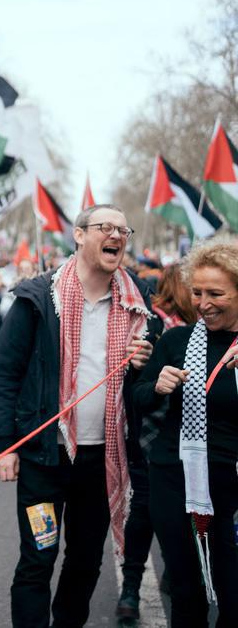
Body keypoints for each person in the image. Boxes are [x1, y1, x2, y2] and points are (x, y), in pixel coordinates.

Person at [0, 205, 158, 628]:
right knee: (37, 560)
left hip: (102, 461)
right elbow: (3, 374)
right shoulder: (39, 298)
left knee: (84, 562)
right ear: (79, 236)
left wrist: (145, 367)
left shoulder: (137, 301)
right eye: (105, 227)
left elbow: (143, 391)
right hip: (46, 457)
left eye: (123, 229)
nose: (116, 235)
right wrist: (4, 447)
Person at [131, 238, 238, 627]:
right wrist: (155, 384)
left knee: (233, 590)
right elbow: (139, 397)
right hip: (174, 478)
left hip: (230, 485)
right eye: (197, 293)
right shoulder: (177, 340)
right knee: (186, 590)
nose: (203, 303)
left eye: (216, 294)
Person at [116, 260, 199, 619]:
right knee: (146, 508)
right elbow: (135, 387)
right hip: (150, 435)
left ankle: (175, 570)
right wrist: (142, 367)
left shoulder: (211, 331)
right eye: (197, 289)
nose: (204, 298)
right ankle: (131, 588)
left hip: (193, 442)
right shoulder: (152, 324)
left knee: (185, 510)